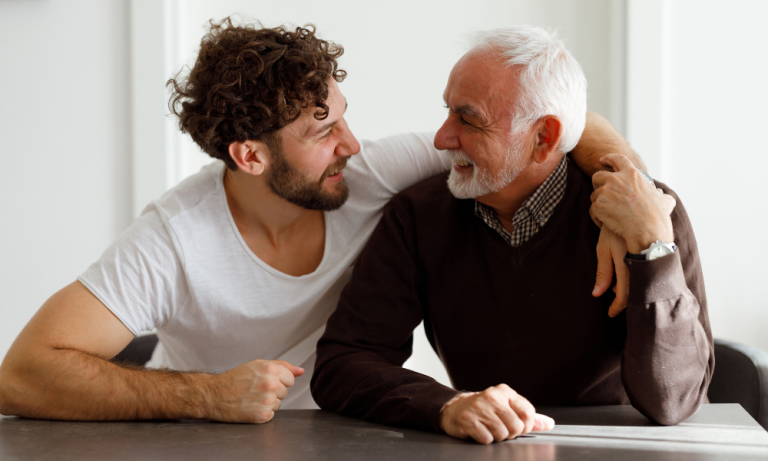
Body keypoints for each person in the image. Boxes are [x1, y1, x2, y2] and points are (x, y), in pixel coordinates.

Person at [0, 20, 645, 423]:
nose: (353, 144)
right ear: (250, 156)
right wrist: (206, 397)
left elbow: (555, 123)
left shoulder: (369, 173)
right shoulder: (173, 240)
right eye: (322, 130)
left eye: (342, 114)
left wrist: (625, 195)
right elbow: (22, 372)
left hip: (354, 430)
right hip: (215, 443)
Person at [311, 26, 713, 444]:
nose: (441, 138)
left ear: (544, 137)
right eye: (447, 111)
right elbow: (343, 362)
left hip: (614, 449)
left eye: (468, 119)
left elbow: (673, 402)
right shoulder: (418, 216)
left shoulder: (648, 214)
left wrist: (652, 250)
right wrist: (445, 405)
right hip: (483, 449)